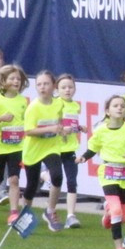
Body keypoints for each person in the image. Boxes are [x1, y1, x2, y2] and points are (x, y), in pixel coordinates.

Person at [79, 95, 125, 249]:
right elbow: (92, 148)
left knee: (124, 216)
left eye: (122, 106)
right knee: (117, 211)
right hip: (108, 173)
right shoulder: (101, 130)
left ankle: (108, 216)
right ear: (107, 111)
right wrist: (83, 158)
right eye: (115, 106)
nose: (119, 108)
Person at [21, 71, 66, 232]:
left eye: (46, 84)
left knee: (57, 176)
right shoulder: (33, 107)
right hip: (33, 150)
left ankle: (50, 210)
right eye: (39, 84)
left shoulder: (58, 104)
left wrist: (61, 130)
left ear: (53, 86)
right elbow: (28, 131)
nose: (42, 87)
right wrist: (50, 128)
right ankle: (24, 215)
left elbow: (59, 121)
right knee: (31, 186)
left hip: (51, 147)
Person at [0, 65, 28, 225]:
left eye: (18, 79)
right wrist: (1, 118)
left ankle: (14, 212)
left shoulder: (23, 101)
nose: (16, 81)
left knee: (14, 179)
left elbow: (26, 120)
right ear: (3, 81)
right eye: (12, 78)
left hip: (17, 146)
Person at [56, 74, 84, 229]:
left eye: (70, 87)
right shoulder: (55, 104)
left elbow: (71, 124)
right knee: (54, 178)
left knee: (72, 181)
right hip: (55, 148)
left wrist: (79, 128)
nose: (67, 90)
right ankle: (51, 211)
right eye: (63, 87)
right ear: (57, 89)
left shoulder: (75, 106)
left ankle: (70, 215)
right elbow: (52, 124)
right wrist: (61, 130)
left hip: (70, 149)